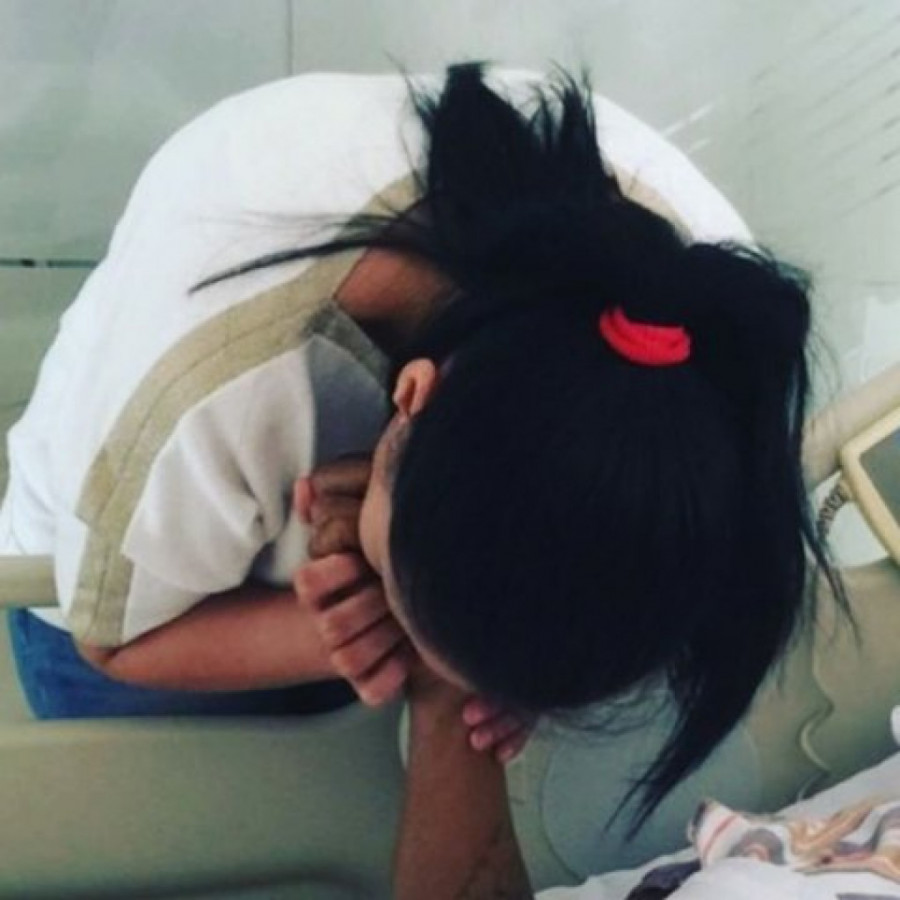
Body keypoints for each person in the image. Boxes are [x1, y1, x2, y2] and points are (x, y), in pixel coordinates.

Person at [0, 62, 840, 821]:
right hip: (135, 606)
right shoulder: (211, 376)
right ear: (409, 395)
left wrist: (490, 663)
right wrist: (341, 636)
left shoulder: (713, 348)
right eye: (415, 621)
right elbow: (111, 639)